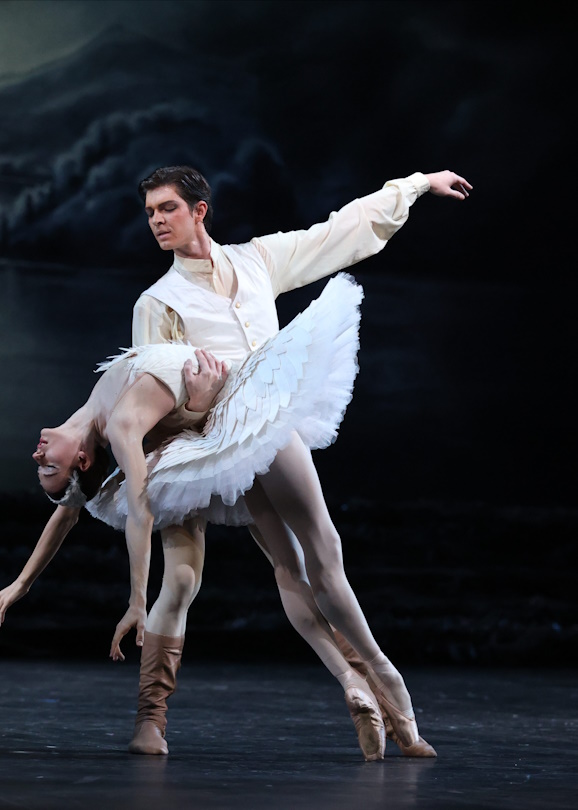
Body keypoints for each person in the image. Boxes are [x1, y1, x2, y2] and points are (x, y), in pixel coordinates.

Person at [121, 164, 471, 759]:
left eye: (167, 208)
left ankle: (362, 689)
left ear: (200, 210)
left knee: (294, 566)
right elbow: (146, 401)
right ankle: (386, 688)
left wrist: (414, 185)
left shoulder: (256, 260)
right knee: (271, 565)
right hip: (214, 442)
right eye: (150, 212)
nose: (156, 220)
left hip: (256, 436)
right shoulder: (159, 302)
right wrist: (193, 414)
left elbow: (339, 233)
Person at [0, 270, 383, 758]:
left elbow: (70, 507)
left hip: (223, 432)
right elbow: (97, 511)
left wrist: (23, 584)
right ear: (82, 461)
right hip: (183, 456)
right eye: (47, 467)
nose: (37, 454)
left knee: (292, 566)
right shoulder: (119, 414)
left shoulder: (96, 414)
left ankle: (362, 685)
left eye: (43, 465)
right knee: (190, 578)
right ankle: (152, 718)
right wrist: (117, 597)